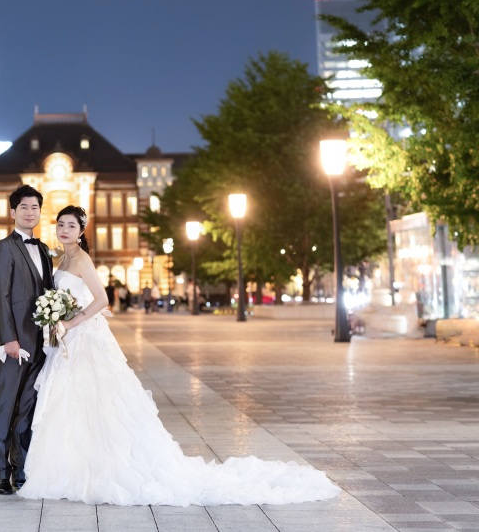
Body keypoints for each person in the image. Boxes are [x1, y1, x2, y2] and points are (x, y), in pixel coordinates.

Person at [17, 205, 340, 506]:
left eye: (71, 225)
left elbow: (102, 300)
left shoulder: (82, 260)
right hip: (68, 341)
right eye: (60, 225)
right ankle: (73, 466)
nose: (64, 230)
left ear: (81, 230)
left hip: (85, 338)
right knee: (73, 403)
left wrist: (70, 321)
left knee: (96, 402)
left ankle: (95, 468)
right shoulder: (60, 259)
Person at [0, 185, 54, 496]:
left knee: (27, 409)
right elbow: (0, 297)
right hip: (14, 347)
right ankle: (1, 474)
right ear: (13, 212)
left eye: (35, 208)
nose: (30, 212)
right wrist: (9, 340)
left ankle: (22, 469)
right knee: (5, 407)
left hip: (40, 345)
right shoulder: (3, 248)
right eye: (24, 207)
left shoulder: (43, 251)